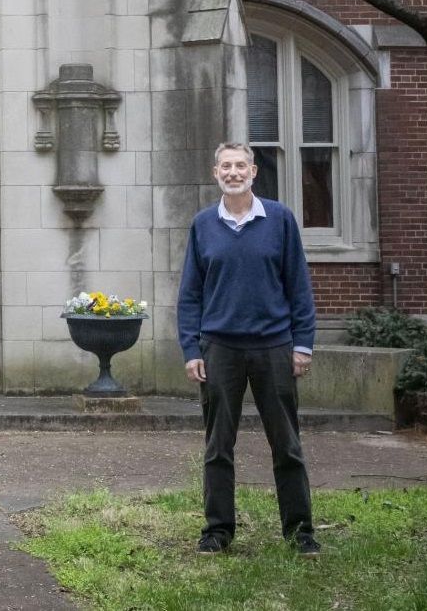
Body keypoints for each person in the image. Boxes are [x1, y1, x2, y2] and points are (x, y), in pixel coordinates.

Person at [178, 141, 320, 558]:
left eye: (241, 165)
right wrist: (191, 349)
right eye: (226, 166)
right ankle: (217, 531)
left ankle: (300, 532)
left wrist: (303, 344)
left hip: (274, 346)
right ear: (215, 173)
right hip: (219, 348)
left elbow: (299, 286)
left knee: (287, 445)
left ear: (254, 172)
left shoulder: (280, 220)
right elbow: (190, 294)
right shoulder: (203, 225)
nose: (234, 172)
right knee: (218, 446)